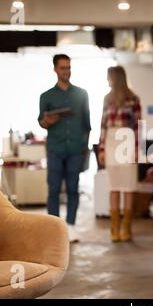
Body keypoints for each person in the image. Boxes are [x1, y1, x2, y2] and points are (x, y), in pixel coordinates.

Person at [38, 54, 91, 243]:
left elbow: (87, 123)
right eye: (62, 68)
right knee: (53, 189)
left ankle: (70, 226)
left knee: (72, 188)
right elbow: (41, 122)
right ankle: (54, 229)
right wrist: (47, 121)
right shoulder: (46, 96)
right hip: (55, 148)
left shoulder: (81, 94)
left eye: (68, 67)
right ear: (55, 69)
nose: (66, 71)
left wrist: (85, 147)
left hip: (76, 149)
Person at [98, 66, 141, 242]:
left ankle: (126, 228)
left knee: (128, 186)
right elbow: (102, 124)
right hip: (110, 141)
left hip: (127, 140)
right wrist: (101, 148)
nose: (107, 80)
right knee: (114, 186)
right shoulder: (107, 99)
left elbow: (139, 125)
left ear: (115, 78)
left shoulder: (133, 98)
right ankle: (114, 229)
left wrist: (138, 148)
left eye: (109, 77)